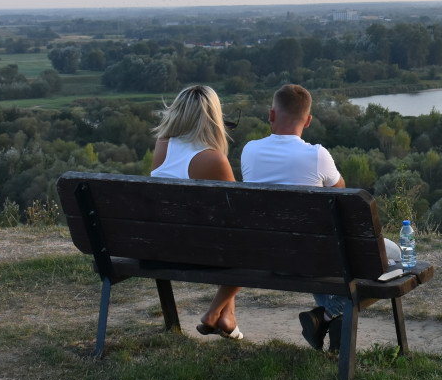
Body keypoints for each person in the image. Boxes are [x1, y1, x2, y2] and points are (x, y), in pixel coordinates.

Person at [241, 84, 400, 352]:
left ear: (271, 115)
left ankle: (327, 324)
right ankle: (323, 317)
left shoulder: (249, 151)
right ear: (309, 120)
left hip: (267, 256)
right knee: (391, 256)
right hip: (312, 259)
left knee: (328, 253)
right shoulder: (317, 155)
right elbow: (342, 196)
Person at [150, 85, 243, 340]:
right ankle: (214, 313)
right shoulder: (212, 159)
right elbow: (240, 215)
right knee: (250, 243)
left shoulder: (162, 146)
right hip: (196, 252)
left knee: (231, 241)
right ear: (213, 117)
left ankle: (227, 316)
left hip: (157, 247)